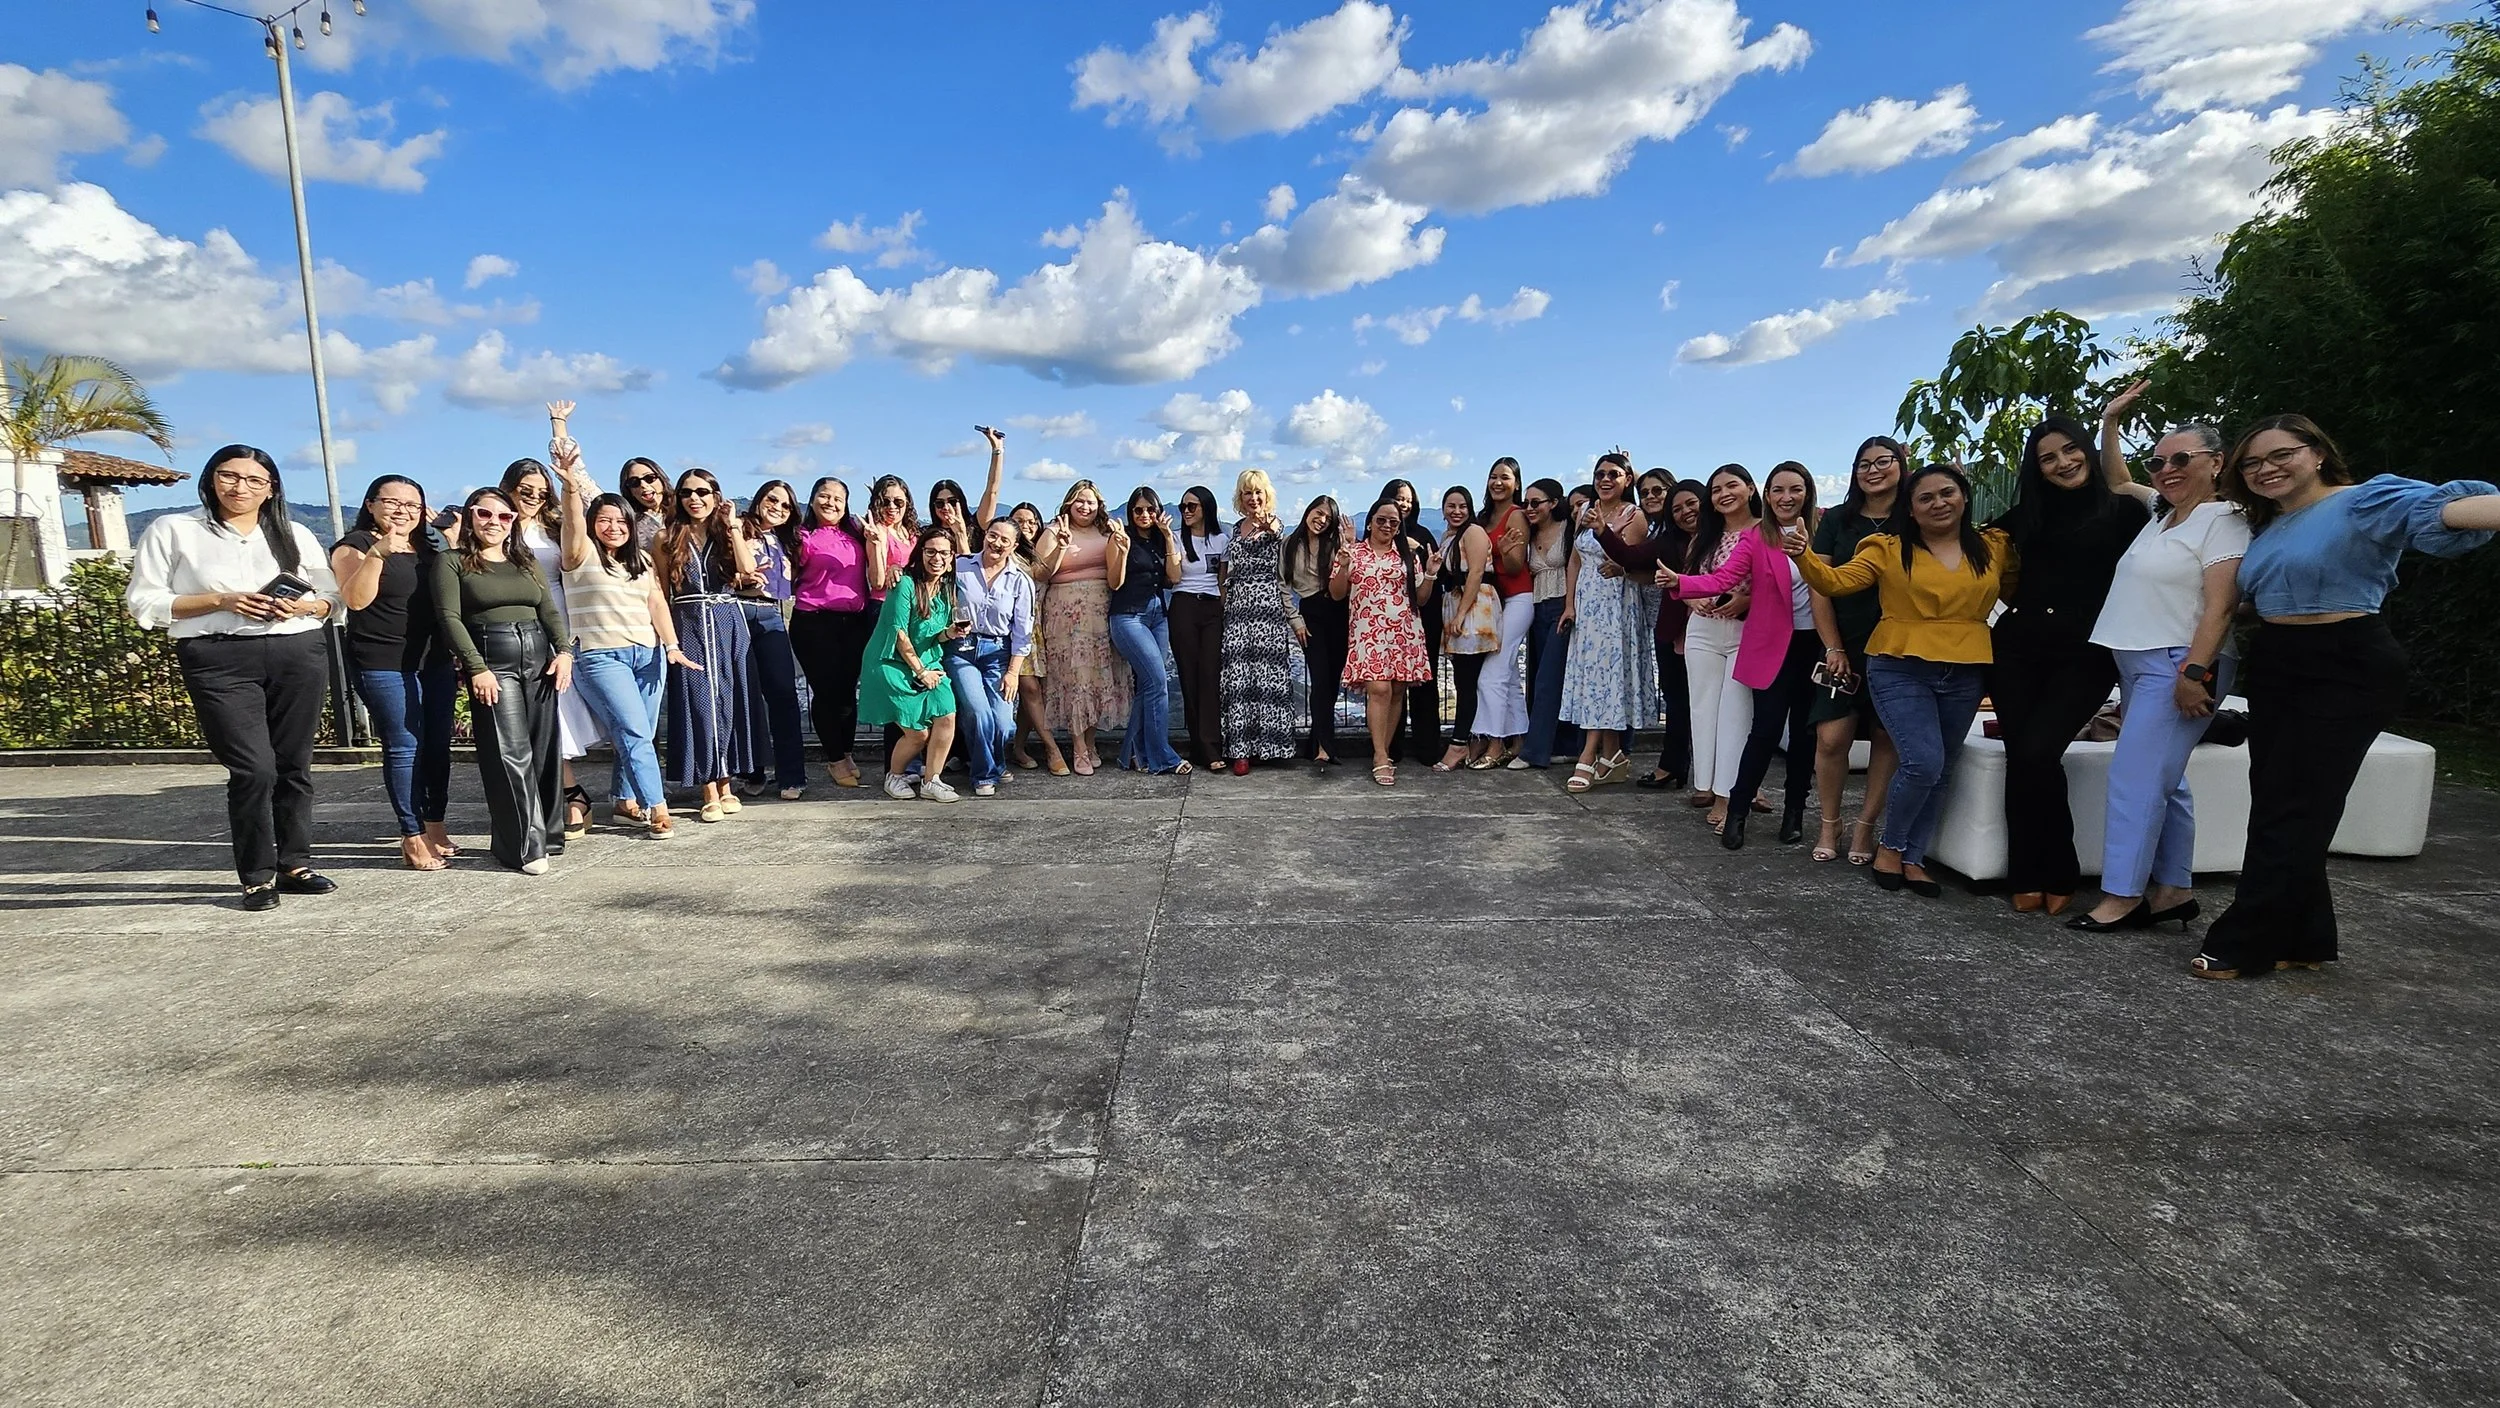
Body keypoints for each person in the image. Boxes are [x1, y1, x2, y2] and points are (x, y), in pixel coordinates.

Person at [2188, 416, 2498, 978]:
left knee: (2300, 806)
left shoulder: (2365, 501)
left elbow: (2448, 512)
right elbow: (2264, 595)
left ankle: (2245, 939)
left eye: (2281, 455)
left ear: (2318, 454)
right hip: (2280, 661)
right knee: (2279, 800)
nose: (2266, 470)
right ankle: (2304, 936)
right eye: (2252, 464)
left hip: (2347, 663)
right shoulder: (2269, 525)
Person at [125, 445, 343, 910]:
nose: (240, 487)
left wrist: (301, 605)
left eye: (254, 480)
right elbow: (145, 603)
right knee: (252, 768)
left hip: (295, 649)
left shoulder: (294, 533)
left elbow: (332, 600)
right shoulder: (174, 530)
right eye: (230, 476)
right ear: (211, 479)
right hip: (218, 656)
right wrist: (220, 600)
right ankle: (256, 875)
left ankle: (294, 863)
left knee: (294, 764)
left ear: (271, 488)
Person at [1787, 464, 2012, 896]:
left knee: (1942, 767)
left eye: (1947, 493)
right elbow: (1835, 582)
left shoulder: (1994, 546)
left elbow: (2016, 588)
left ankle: (1913, 856)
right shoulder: (1887, 548)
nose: (1938, 503)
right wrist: (1804, 555)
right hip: (1899, 663)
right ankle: (1890, 846)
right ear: (1909, 510)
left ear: (1964, 497)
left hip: (1966, 666)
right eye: (1925, 498)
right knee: (1923, 761)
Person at [2070, 385, 2248, 932]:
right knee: (2164, 780)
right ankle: (2172, 889)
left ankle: (2122, 896)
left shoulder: (2225, 518)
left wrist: (2195, 673)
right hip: (2139, 663)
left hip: (2178, 663)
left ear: (2216, 463)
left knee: (2133, 777)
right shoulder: (2162, 513)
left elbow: (2222, 605)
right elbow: (2118, 479)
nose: (2166, 470)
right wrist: (2109, 422)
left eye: (2181, 460)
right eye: (2159, 461)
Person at [1990, 416, 2151, 914]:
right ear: (2036, 469)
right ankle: (2027, 872)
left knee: (2038, 751)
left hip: (2087, 653)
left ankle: (2058, 867)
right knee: (2024, 756)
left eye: (2069, 450)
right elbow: (1951, 538)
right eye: (2048, 458)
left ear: (2086, 449)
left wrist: (2110, 424)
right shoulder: (2023, 516)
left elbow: (2183, 509)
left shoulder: (2125, 511)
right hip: (2016, 649)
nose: (2063, 462)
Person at [1657, 463, 1822, 848]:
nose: (1786, 497)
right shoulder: (1756, 538)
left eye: (1794, 489)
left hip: (1815, 642)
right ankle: (1736, 810)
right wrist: (1681, 583)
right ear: (1766, 494)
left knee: (1805, 734)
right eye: (1778, 490)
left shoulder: (1822, 531)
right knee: (1762, 729)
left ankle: (1794, 812)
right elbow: (1722, 578)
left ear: (1807, 492)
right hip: (1770, 641)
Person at [432, 487, 573, 874]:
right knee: (508, 753)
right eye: (484, 514)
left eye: (504, 516)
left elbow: (547, 608)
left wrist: (564, 652)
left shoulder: (523, 560)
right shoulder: (452, 561)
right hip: (494, 660)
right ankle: (524, 847)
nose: (494, 522)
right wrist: (476, 667)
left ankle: (548, 835)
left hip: (539, 658)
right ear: (471, 517)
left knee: (544, 749)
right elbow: (450, 618)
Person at [553, 443, 685, 839]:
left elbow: (657, 603)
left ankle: (624, 800)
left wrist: (672, 645)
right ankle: (656, 807)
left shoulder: (640, 560)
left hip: (648, 653)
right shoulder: (578, 556)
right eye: (605, 520)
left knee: (640, 729)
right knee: (633, 732)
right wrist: (570, 485)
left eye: (621, 521)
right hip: (599, 656)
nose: (613, 527)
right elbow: (573, 521)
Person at [330, 474, 456, 870]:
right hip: (383, 661)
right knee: (404, 746)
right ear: (370, 504)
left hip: (433, 660)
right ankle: (411, 833)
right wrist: (379, 554)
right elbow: (355, 600)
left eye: (413, 506)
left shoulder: (429, 546)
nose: (403, 512)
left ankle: (434, 824)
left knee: (437, 744)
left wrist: (447, 540)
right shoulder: (355, 546)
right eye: (393, 502)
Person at [1810, 439, 1906, 865]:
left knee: (1887, 735)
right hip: (1843, 645)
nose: (1873, 470)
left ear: (1901, 465)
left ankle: (1866, 825)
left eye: (1883, 462)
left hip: (1900, 646)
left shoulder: (1913, 517)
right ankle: (1831, 822)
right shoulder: (1837, 520)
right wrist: (1832, 646)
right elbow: (1819, 584)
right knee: (1832, 737)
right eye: (1864, 464)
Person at [508, 431, 604, 840]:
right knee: (539, 716)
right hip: (512, 625)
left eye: (539, 490)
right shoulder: (495, 525)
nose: (532, 496)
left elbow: (586, 509)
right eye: (524, 489)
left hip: (559, 621)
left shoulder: (554, 527)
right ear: (509, 488)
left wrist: (562, 450)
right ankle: (568, 793)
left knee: (562, 709)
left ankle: (577, 793)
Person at [655, 468, 765, 822]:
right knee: (699, 704)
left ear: (716, 495)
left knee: (731, 702)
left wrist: (732, 526)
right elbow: (658, 590)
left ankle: (727, 783)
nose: (695, 499)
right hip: (688, 622)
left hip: (728, 621)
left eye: (703, 492)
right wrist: (667, 638)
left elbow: (748, 572)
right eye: (687, 493)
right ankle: (708, 788)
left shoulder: (727, 534)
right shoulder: (665, 537)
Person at [1558, 453, 1655, 793]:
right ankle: (1612, 755)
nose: (1606, 479)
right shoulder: (1584, 512)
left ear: (1627, 479)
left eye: (1614, 474)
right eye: (1600, 473)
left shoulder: (1635, 516)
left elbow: (1629, 560)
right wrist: (1570, 604)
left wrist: (1604, 532)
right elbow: (1574, 560)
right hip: (1588, 605)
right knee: (1596, 679)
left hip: (1617, 604)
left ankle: (1587, 755)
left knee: (1607, 677)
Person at [1597, 474, 1701, 789]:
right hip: (1668, 623)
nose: (1652, 496)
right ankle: (1678, 767)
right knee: (1678, 697)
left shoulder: (1715, 535)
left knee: (1707, 702)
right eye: (1645, 492)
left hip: (1711, 622)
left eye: (1659, 491)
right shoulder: (1666, 537)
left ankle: (1718, 779)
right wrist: (1603, 532)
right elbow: (1632, 557)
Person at [1680, 465, 1762, 829]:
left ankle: (1731, 795)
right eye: (1716, 489)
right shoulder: (1706, 535)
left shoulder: (1764, 530)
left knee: (1736, 713)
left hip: (1746, 631)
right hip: (1703, 630)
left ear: (1750, 488)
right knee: (1703, 709)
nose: (1724, 494)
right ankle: (1709, 785)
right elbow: (1687, 581)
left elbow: (1780, 583)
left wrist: (1747, 599)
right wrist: (1691, 601)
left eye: (1732, 485)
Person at [859, 526, 964, 802]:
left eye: (944, 553)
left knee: (947, 713)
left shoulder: (947, 589)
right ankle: (894, 776)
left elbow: (932, 634)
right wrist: (920, 671)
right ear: (921, 553)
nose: (937, 558)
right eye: (931, 551)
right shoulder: (905, 583)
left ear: (952, 557)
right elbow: (899, 633)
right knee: (918, 733)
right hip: (890, 661)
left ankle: (932, 780)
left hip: (928, 660)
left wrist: (949, 633)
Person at [1033, 480, 1130, 775]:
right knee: (1074, 680)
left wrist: (1121, 548)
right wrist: (1061, 548)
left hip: (1100, 611)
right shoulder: (1054, 531)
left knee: (1097, 678)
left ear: (1099, 504)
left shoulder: (1106, 531)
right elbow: (1039, 572)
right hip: (1064, 614)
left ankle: (1091, 742)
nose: (1085, 507)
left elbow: (1116, 578)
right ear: (1068, 504)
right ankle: (1078, 749)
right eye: (1079, 501)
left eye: (1090, 502)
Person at [1335, 499, 1434, 786]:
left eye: (1394, 522)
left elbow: (1422, 598)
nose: (1387, 526)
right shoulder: (1353, 552)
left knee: (1397, 689)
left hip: (1404, 630)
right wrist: (1343, 566)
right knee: (1378, 688)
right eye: (1382, 520)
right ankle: (1379, 755)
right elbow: (1338, 593)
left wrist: (1430, 573)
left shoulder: (1406, 556)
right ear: (1370, 522)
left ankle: (1385, 751)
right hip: (1368, 631)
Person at [790, 476, 872, 788]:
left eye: (838, 498)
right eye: (824, 496)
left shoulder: (856, 533)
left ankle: (847, 752)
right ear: (811, 500)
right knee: (825, 691)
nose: (831, 503)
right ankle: (834, 758)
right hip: (814, 621)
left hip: (853, 621)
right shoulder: (802, 536)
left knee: (847, 691)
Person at [947, 514, 1036, 796]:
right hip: (962, 649)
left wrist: (1013, 672)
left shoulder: (1020, 581)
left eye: (1004, 540)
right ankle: (984, 775)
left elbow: (1023, 631)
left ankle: (992, 762)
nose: (996, 543)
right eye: (992, 536)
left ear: (1014, 545)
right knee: (978, 711)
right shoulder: (960, 566)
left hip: (998, 652)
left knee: (1003, 723)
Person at [1220, 470, 1299, 774]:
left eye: (1258, 493)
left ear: (1267, 496)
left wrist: (1268, 526)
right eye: (1247, 493)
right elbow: (1226, 573)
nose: (1253, 499)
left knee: (1267, 674)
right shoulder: (1235, 530)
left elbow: (1280, 536)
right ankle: (1240, 750)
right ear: (1240, 498)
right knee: (1239, 676)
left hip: (1267, 604)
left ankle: (1271, 745)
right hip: (1238, 607)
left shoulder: (1275, 524)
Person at [736, 479, 810, 800]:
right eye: (772, 499)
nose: (777, 508)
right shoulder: (737, 527)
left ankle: (791, 774)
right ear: (758, 499)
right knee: (745, 695)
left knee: (782, 694)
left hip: (771, 614)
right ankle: (752, 770)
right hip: (736, 611)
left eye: (785, 505)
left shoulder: (786, 540)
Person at [1107, 487, 1188, 776]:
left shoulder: (1160, 539)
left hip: (1157, 616)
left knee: (1148, 686)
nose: (1144, 515)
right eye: (1138, 510)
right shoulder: (1120, 538)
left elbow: (1174, 578)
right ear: (1130, 512)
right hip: (1128, 617)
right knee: (1157, 683)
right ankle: (1162, 757)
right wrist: (1122, 549)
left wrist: (1167, 536)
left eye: (1149, 510)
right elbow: (1114, 582)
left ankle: (1131, 754)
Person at [1376, 478, 1446, 765]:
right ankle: (1390, 748)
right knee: (1392, 685)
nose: (1403, 504)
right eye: (1398, 498)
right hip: (1387, 620)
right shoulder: (1380, 535)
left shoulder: (1423, 534)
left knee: (1423, 683)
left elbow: (1435, 575)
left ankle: (1427, 745)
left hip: (1422, 616)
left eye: (1407, 499)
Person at [1516, 478, 1581, 769]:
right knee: (1541, 677)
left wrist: (1571, 606)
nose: (1529, 508)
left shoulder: (1569, 529)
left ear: (1554, 503)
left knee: (1548, 681)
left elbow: (1578, 565)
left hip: (1562, 607)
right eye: (1526, 503)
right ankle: (1565, 745)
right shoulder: (1527, 534)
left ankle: (1534, 752)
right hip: (1536, 608)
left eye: (1535, 503)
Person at [1435, 485, 1500, 770]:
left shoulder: (1473, 532)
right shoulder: (1448, 536)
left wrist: (1461, 614)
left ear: (1470, 508)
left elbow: (1475, 572)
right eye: (1451, 506)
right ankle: (1470, 740)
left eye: (1462, 506)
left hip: (1474, 606)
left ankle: (1458, 743)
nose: (1457, 511)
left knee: (1466, 679)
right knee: (1465, 679)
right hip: (1457, 602)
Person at [1474, 458, 1533, 764]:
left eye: (1505, 478)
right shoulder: (1484, 517)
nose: (1497, 482)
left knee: (1491, 676)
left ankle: (1495, 743)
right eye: (1493, 476)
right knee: (1507, 676)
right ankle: (1519, 740)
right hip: (1494, 602)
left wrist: (1506, 551)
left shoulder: (1516, 516)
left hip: (1519, 598)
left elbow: (1514, 567)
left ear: (1516, 483)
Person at [1168, 485, 1229, 770]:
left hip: (1212, 608)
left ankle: (1212, 745)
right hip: (1183, 606)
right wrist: (1170, 542)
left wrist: (1223, 610)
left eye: (1192, 506)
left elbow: (1222, 581)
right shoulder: (1177, 539)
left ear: (1207, 507)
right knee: (1189, 677)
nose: (1187, 511)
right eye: (1183, 507)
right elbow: (1174, 577)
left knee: (1210, 676)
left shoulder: (1221, 539)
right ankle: (1203, 747)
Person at [1005, 502, 1068, 774]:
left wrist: (1060, 546)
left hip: (1039, 628)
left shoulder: (1035, 554)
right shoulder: (1009, 554)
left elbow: (1042, 572)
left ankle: (1018, 748)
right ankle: (1052, 749)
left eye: (1032, 521)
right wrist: (1060, 548)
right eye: (1019, 521)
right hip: (1013, 630)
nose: (1026, 526)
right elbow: (1039, 574)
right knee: (1029, 689)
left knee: (1033, 694)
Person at [1284, 497, 1347, 767]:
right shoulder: (1289, 544)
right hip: (1310, 613)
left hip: (1339, 610)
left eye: (1327, 518)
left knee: (1332, 681)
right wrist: (1295, 620)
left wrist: (1348, 545)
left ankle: (1317, 740)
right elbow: (1282, 586)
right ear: (1308, 511)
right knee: (1320, 678)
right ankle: (1324, 747)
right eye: (1318, 513)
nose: (1321, 520)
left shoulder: (1335, 544)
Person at [619, 456, 668, 552]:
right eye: (634, 482)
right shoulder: (628, 520)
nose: (643, 485)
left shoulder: (682, 509)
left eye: (649, 478)